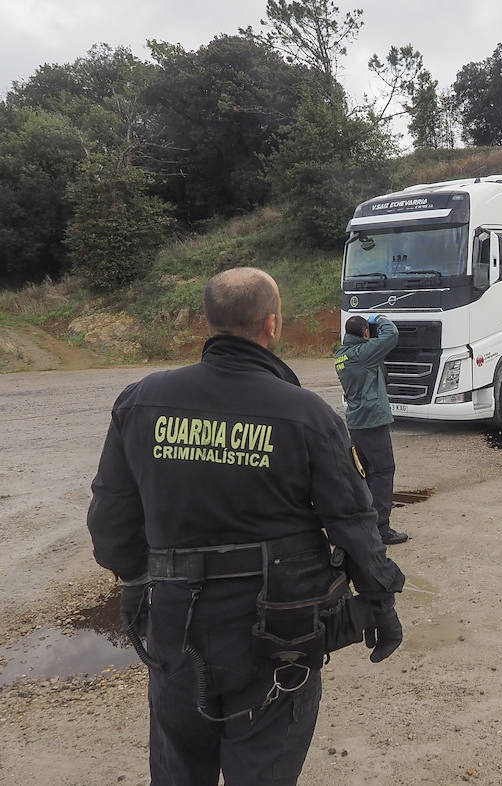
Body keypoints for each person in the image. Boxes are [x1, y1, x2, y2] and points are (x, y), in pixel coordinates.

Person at [87, 267, 405, 786]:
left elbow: (111, 520)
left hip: (174, 626)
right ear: (273, 325)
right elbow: (352, 521)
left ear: (206, 324)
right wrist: (380, 599)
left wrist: (135, 580)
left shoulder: (141, 402)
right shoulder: (305, 415)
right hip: (277, 635)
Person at [335, 313, 407, 545]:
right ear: (365, 332)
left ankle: (365, 523)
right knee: (384, 472)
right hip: (372, 422)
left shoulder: (341, 356)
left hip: (356, 423)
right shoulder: (364, 354)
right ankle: (381, 528)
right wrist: (380, 318)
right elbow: (392, 335)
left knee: (363, 474)